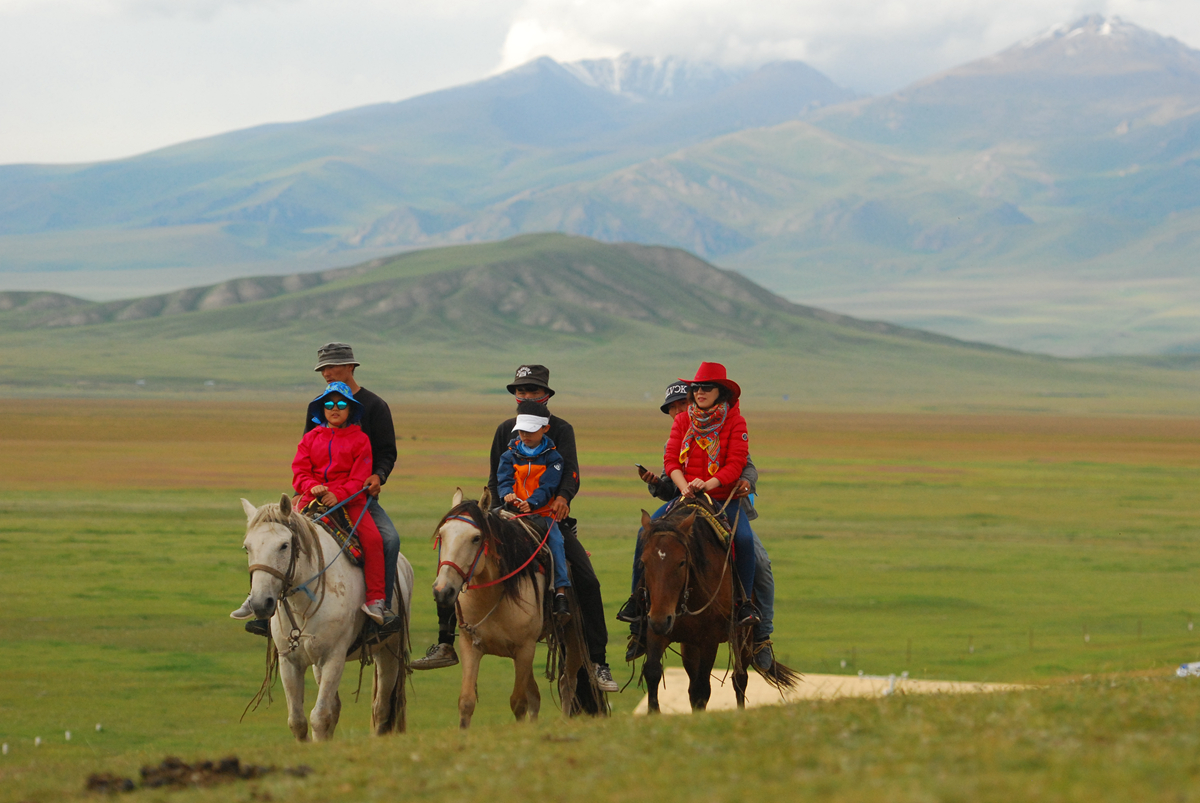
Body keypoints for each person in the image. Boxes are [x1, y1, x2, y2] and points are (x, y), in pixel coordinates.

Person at [412, 364, 619, 695]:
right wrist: (498, 507)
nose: (525, 396)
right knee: (460, 556)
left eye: (532, 391)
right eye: (520, 391)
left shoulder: (562, 429)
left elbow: (571, 474)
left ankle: (598, 662)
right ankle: (445, 642)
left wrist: (563, 498)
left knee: (588, 581)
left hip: (546, 514)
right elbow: (495, 476)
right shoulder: (506, 429)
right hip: (505, 513)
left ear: (546, 396)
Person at [235, 342, 402, 637]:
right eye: (323, 368)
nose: (326, 373)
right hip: (312, 496)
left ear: (351, 367)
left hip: (356, 493)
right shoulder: (318, 413)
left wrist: (379, 475)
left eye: (332, 367)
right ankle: (261, 604)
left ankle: (380, 606)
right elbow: (304, 460)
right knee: (270, 536)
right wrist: (311, 487)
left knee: (387, 539)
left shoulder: (375, 407)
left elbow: (386, 452)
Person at [622, 380, 777, 669]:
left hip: (726, 501)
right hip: (687, 500)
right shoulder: (683, 427)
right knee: (648, 536)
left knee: (759, 561)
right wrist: (659, 484)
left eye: (683, 403)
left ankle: (760, 634)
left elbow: (745, 464)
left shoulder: (727, 424)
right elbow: (674, 471)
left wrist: (747, 480)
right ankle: (637, 611)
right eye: (674, 408)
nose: (680, 410)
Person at [497, 400, 572, 617]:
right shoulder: (509, 454)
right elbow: (503, 479)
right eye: (521, 431)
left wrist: (533, 502)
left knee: (557, 542)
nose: (525, 435)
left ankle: (560, 591)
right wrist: (506, 495)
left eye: (530, 431)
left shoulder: (554, 458)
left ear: (545, 428)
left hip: (541, 513)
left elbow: (549, 485)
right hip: (512, 512)